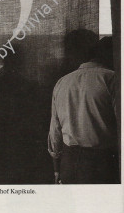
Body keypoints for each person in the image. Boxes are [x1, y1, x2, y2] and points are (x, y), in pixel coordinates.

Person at [48, 36, 119, 184]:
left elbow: (55, 131)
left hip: (69, 163)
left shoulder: (62, 82)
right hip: (102, 164)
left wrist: (56, 169)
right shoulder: (112, 79)